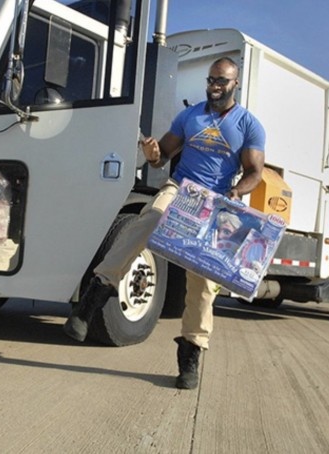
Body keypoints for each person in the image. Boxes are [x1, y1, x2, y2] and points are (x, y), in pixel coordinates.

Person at [63, 57, 265, 390]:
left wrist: (234, 192)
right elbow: (162, 157)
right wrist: (152, 152)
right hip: (181, 189)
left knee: (203, 284)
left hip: (214, 202)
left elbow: (255, 172)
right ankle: (93, 298)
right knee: (150, 218)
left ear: (235, 83)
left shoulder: (249, 125)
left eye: (221, 81)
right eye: (211, 80)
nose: (214, 86)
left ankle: (190, 354)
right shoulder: (190, 116)